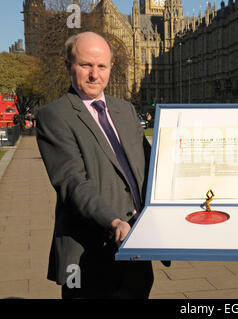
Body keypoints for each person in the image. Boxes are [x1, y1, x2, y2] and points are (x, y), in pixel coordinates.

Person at [36, 32, 155, 298]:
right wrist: (112, 221)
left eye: (101, 66)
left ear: (111, 67)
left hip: (136, 246)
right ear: (68, 66)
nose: (94, 74)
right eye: (85, 65)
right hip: (89, 255)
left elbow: (152, 167)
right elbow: (72, 182)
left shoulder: (125, 110)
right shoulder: (55, 116)